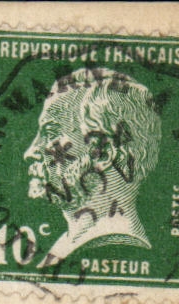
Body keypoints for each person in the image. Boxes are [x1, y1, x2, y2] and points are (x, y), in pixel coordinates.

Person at [23, 67, 163, 269]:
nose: (30, 152)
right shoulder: (68, 244)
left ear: (102, 153)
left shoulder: (110, 248)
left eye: (51, 133)